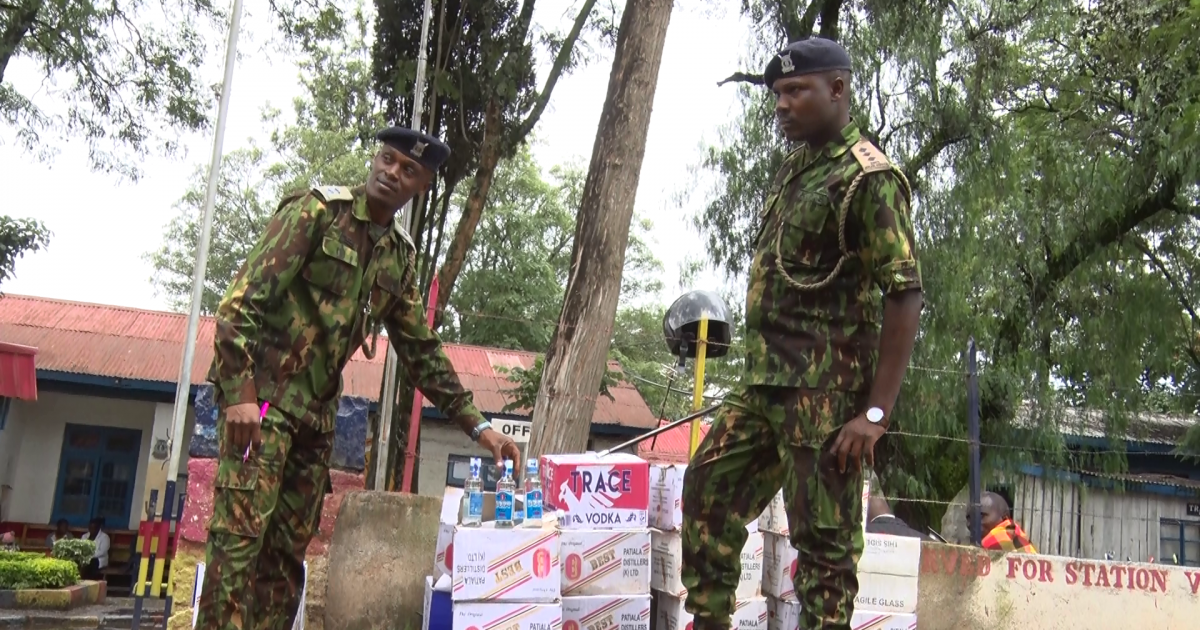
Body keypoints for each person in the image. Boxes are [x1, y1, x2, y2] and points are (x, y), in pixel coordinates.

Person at [195, 126, 522, 630]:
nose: (392, 172)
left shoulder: (398, 256)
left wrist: (479, 427)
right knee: (238, 545)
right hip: (262, 408)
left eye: (408, 170)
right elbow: (241, 303)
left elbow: (421, 350)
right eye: (388, 159)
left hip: (315, 422)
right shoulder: (317, 213)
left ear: (422, 186)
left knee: (285, 559)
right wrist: (238, 393)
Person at [680, 37, 924, 630]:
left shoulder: (869, 178)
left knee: (824, 551)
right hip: (764, 384)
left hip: (824, 399)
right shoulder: (796, 169)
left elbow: (905, 292)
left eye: (795, 91)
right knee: (707, 489)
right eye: (777, 94)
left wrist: (874, 413)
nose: (782, 105)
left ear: (837, 89)